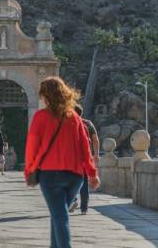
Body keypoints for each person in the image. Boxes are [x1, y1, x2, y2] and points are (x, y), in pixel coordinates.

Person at [25, 77, 99, 248]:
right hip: (75, 177)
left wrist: (29, 171)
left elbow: (32, 147)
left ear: (46, 96)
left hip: (50, 176)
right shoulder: (74, 118)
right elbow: (85, 149)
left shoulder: (41, 117)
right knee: (58, 213)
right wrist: (92, 174)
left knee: (60, 215)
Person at [68, 104, 100, 215]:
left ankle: (73, 200)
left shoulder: (69, 123)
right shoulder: (88, 123)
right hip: (85, 156)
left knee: (70, 181)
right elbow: (95, 140)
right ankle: (84, 208)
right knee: (84, 182)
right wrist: (96, 154)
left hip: (71, 157)